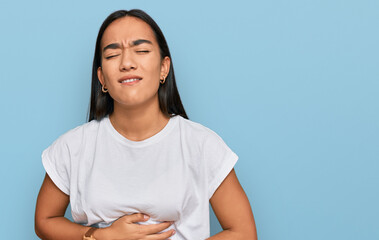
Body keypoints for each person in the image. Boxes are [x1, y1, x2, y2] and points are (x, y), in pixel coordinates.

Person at [34, 9, 257, 240]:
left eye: (141, 51)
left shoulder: (202, 145)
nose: (127, 63)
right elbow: (44, 221)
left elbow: (244, 232)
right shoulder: (73, 146)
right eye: (112, 55)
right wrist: (100, 237)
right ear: (102, 78)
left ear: (164, 68)